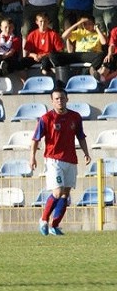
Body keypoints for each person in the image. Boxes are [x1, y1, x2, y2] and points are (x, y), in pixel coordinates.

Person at [30, 87, 90, 236]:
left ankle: (54, 225)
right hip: (53, 160)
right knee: (57, 192)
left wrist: (86, 153)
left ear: (67, 99)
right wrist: (32, 157)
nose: (60, 101)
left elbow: (81, 136)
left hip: (70, 159)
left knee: (65, 194)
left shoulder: (75, 117)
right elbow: (36, 139)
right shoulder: (46, 118)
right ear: (52, 101)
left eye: (62, 98)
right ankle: (43, 219)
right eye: (56, 99)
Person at [49, 14, 107, 79]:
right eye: (85, 24)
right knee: (53, 55)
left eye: (89, 23)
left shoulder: (99, 33)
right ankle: (62, 70)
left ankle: (92, 69)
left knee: (101, 54)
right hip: (78, 54)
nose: (87, 26)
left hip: (91, 55)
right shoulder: (80, 32)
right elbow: (63, 36)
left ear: (94, 23)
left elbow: (104, 42)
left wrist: (97, 29)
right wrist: (78, 23)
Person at [19, 12, 65, 79]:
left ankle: (48, 78)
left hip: (47, 57)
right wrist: (34, 55)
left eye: (45, 21)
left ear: (48, 21)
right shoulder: (32, 34)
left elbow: (59, 51)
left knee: (47, 62)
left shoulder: (53, 34)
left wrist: (46, 55)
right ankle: (25, 83)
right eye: (41, 21)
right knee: (21, 62)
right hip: (36, 57)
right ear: (36, 22)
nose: (43, 24)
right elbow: (28, 52)